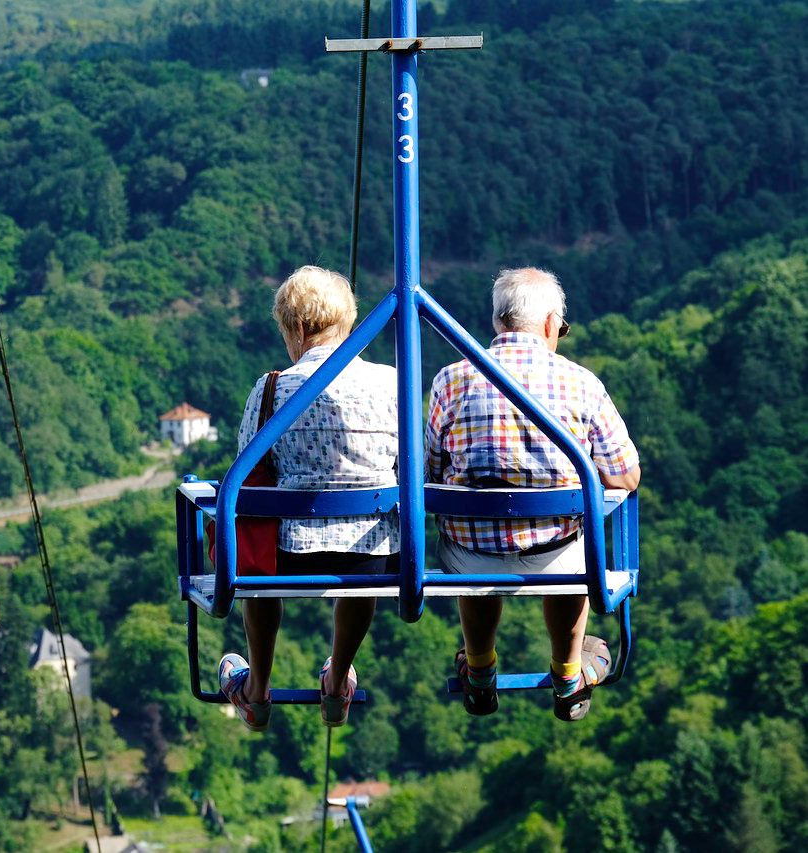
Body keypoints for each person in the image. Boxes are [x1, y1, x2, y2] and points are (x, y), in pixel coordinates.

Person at [424, 267, 640, 721]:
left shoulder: (450, 380)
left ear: (498, 323)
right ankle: (568, 673)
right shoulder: (582, 383)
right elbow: (626, 477)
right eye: (561, 327)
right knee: (575, 546)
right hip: (557, 553)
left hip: (469, 554)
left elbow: (431, 472)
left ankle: (480, 670)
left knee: (472, 542)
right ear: (548, 324)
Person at [218, 265, 399, 731]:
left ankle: (256, 687)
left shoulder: (271, 389)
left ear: (297, 328)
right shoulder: (390, 383)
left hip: (289, 558)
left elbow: (246, 469)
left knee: (253, 546)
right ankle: (337, 678)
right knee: (364, 547)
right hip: (375, 557)